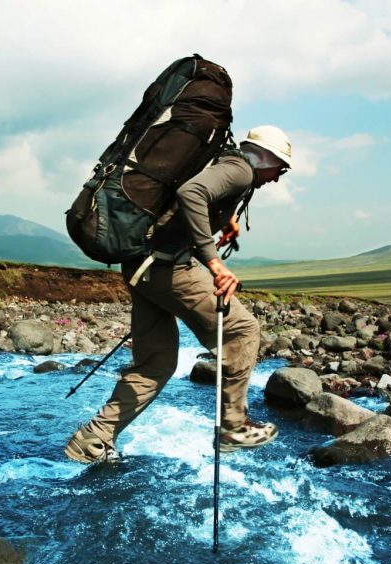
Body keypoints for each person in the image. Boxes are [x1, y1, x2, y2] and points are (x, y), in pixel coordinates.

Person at [64, 126, 293, 464]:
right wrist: (215, 264)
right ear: (266, 158)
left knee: (155, 364)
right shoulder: (241, 170)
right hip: (167, 268)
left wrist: (225, 219)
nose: (277, 178)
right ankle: (234, 426)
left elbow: (190, 203)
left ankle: (94, 438)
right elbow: (192, 193)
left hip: (141, 265)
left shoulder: (227, 163)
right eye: (280, 168)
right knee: (243, 330)